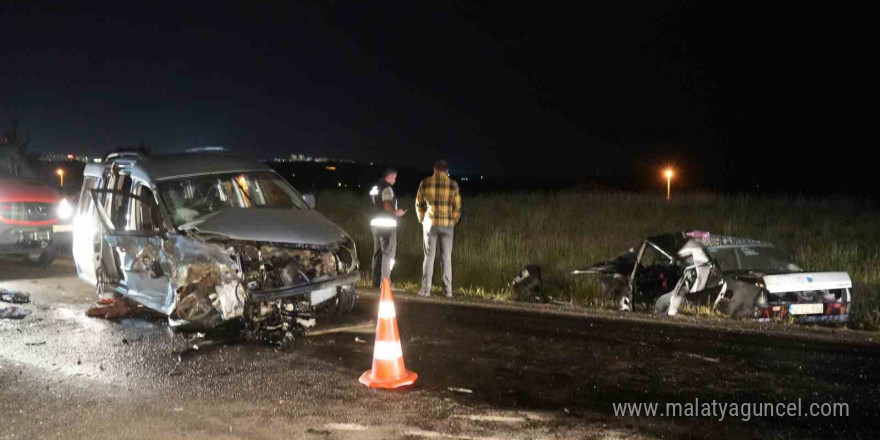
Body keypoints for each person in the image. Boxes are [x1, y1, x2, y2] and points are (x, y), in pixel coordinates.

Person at [415, 160, 461, 297]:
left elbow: (419, 204)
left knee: (429, 257)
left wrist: (422, 218)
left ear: (434, 170)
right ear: (447, 171)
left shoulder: (425, 183)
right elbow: (457, 207)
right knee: (446, 257)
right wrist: (453, 220)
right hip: (447, 225)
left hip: (430, 224)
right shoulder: (453, 185)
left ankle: (426, 290)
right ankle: (448, 291)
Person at [369, 168, 406, 287]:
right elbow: (387, 204)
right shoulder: (387, 188)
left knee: (377, 253)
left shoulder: (375, 187)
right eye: (394, 177)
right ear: (390, 176)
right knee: (388, 253)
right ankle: (385, 282)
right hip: (386, 223)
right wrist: (396, 212)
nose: (395, 180)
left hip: (374, 222)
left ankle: (375, 282)